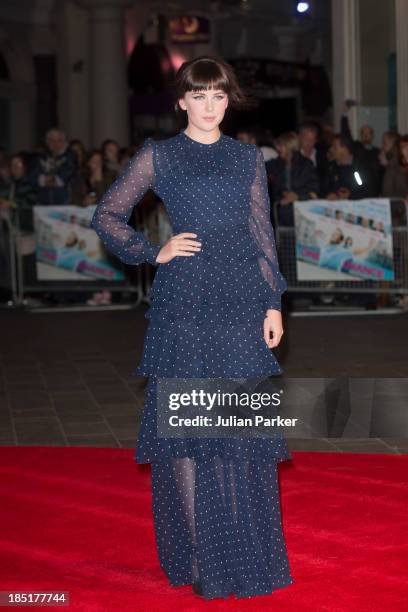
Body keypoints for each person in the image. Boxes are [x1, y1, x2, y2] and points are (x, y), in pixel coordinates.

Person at [91, 54, 294, 600]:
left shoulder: (247, 159)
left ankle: (244, 549)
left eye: (219, 96)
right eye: (199, 96)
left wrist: (273, 303)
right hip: (184, 304)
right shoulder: (160, 156)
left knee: (239, 427)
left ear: (229, 100)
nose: (209, 106)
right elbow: (107, 214)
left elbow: (262, 236)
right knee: (183, 426)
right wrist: (151, 251)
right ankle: (201, 556)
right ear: (181, 100)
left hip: (241, 305)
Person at [266, 130, 319, 226]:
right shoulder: (276, 164)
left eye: (281, 145)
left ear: (290, 146)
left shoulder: (306, 165)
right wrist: (283, 193)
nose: (277, 148)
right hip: (281, 216)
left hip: (303, 215)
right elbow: (258, 168)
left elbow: (314, 190)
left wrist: (297, 196)